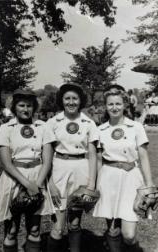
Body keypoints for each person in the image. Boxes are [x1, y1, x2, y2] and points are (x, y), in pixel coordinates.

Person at [0, 89, 54, 252]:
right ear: (14, 107)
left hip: (37, 176)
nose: (26, 109)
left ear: (35, 107)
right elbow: (6, 163)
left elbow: (47, 160)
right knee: (11, 230)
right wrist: (27, 184)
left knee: (34, 229)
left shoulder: (43, 127)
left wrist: (37, 184)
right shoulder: (6, 128)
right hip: (14, 178)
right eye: (21, 105)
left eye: (29, 106)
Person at [93, 89, 158, 252]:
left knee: (128, 235)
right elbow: (99, 160)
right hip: (108, 179)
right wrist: (95, 185)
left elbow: (143, 157)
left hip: (131, 179)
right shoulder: (100, 130)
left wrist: (149, 186)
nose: (114, 107)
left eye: (118, 104)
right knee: (113, 230)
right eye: (110, 104)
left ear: (124, 105)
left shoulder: (136, 127)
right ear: (106, 106)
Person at [41, 83, 99, 252]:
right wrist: (49, 183)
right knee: (58, 227)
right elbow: (47, 155)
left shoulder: (88, 122)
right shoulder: (53, 122)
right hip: (59, 170)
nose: (71, 102)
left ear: (80, 101)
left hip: (81, 170)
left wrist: (91, 184)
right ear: (62, 100)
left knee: (74, 224)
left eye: (75, 98)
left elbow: (93, 155)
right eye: (67, 98)